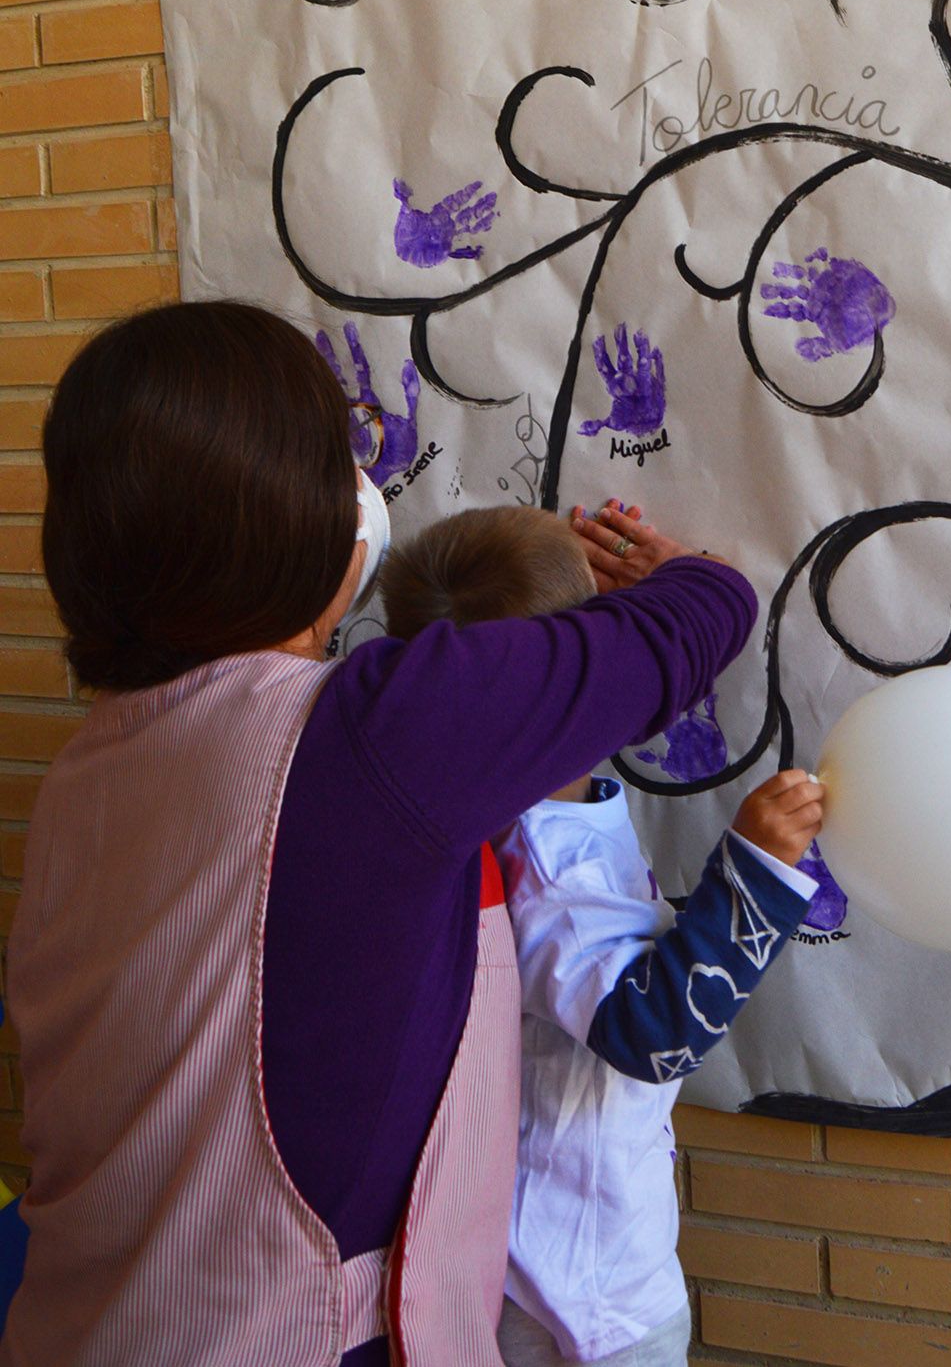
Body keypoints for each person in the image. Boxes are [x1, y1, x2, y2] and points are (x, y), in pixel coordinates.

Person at [2, 301, 759, 1367]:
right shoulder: (371, 732)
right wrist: (686, 571)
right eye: (336, 451)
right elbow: (697, 619)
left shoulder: (95, 760)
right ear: (296, 512)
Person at [380, 506, 825, 1367]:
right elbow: (650, 1032)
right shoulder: (543, 865)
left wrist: (674, 583)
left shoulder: (510, 817)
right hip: (579, 1294)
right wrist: (756, 872)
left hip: (549, 1266)